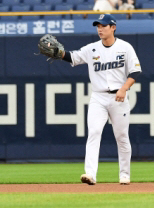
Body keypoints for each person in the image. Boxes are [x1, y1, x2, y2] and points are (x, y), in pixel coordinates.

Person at [37, 13, 142, 185]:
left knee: (122, 136)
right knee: (94, 133)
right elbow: (73, 56)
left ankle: (124, 174)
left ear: (113, 27)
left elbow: (135, 71)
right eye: (98, 26)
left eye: (104, 26)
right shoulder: (92, 49)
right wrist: (59, 53)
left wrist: (124, 88)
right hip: (98, 97)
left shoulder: (125, 47)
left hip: (118, 97)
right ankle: (90, 174)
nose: (100, 29)